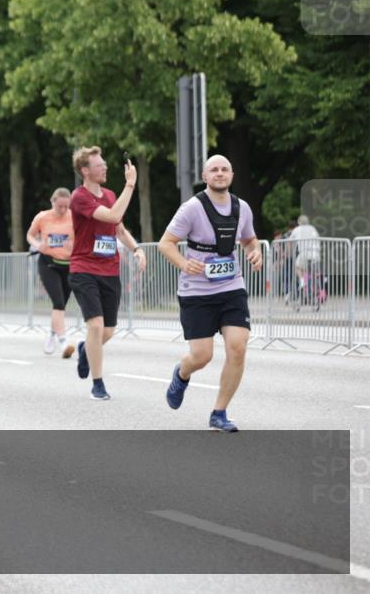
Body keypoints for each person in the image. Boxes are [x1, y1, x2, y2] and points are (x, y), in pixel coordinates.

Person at [158, 155, 262, 432]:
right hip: (196, 292)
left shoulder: (242, 208)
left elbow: (249, 240)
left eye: (224, 169)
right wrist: (183, 263)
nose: (219, 173)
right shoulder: (192, 208)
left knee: (238, 347)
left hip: (231, 287)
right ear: (205, 176)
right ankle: (181, 374)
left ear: (232, 174)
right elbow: (165, 243)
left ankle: (219, 412)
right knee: (202, 356)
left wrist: (255, 252)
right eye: (214, 170)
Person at [68, 147, 146, 400]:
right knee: (96, 325)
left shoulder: (111, 195)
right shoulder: (78, 197)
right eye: (99, 164)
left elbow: (118, 228)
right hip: (83, 269)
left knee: (108, 331)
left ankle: (85, 350)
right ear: (85, 171)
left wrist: (136, 249)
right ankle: (98, 384)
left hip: (109, 270)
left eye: (104, 163)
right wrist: (130, 185)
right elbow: (113, 214)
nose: (105, 167)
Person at [26, 188, 76, 358]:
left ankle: (52, 334)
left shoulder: (74, 216)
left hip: (68, 264)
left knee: (61, 305)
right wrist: (38, 244)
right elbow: (30, 235)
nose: (63, 210)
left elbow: (81, 238)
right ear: (52, 202)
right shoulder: (42, 217)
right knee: (59, 302)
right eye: (59, 206)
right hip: (48, 263)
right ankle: (63, 341)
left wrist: (73, 246)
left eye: (66, 207)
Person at [288, 214, 321, 302]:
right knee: (311, 272)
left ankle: (302, 281)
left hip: (304, 253)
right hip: (316, 254)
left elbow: (290, 242)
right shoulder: (313, 228)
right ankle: (313, 290)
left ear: (299, 222)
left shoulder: (297, 229)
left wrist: (289, 250)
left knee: (297, 267)